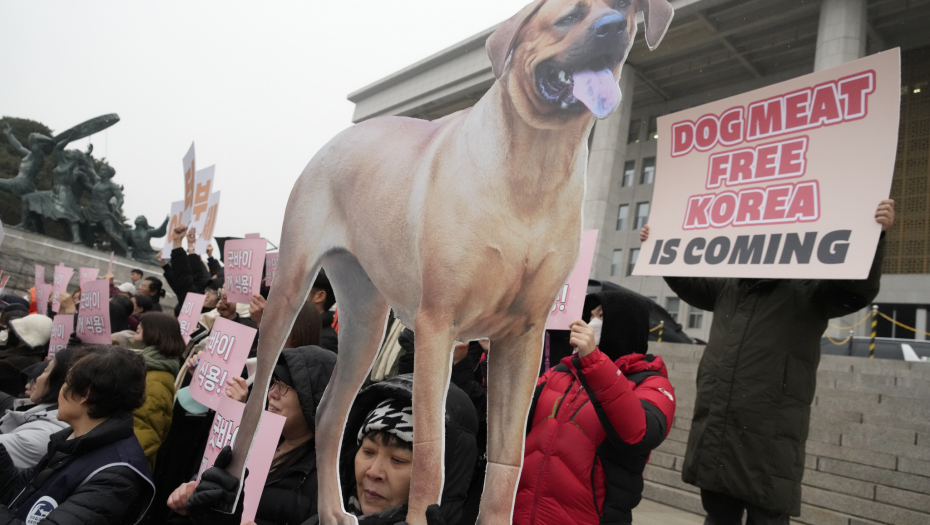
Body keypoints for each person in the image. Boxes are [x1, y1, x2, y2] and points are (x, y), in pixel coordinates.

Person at [638, 199, 895, 524]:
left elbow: (855, 290)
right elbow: (689, 282)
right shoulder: (729, 284)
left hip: (769, 442)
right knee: (718, 516)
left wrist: (874, 240)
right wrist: (659, 247)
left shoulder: (810, 287)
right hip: (718, 431)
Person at [514, 289, 676, 525]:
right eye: (590, 316)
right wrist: (494, 359)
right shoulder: (561, 373)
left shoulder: (652, 383)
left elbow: (638, 434)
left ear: (623, 325)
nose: (591, 324)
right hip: (525, 514)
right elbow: (515, 413)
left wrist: (595, 363)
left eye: (600, 316)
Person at [168, 346, 337, 525]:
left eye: (284, 386)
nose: (272, 393)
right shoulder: (252, 438)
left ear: (313, 400)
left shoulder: (320, 482)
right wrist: (192, 492)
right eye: (273, 383)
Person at [0, 345, 154, 524]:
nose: (60, 390)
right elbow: (17, 493)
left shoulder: (116, 475)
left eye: (66, 382)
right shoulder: (72, 440)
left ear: (85, 394)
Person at [0, 347, 79, 468]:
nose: (37, 379)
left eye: (44, 371)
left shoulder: (43, 434)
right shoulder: (47, 420)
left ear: (61, 382)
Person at [133, 312, 185, 470]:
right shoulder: (149, 371)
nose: (132, 337)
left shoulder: (153, 383)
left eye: (137, 332)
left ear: (152, 335)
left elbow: (144, 436)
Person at [0, 315, 52, 397]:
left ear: (22, 337)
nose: (9, 331)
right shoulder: (29, 355)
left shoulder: (19, 362)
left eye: (13, 330)